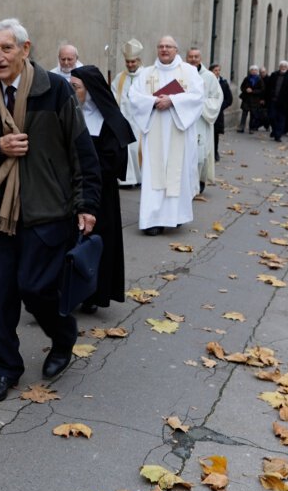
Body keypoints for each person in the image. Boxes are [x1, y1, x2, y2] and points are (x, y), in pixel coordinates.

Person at [0, 18, 101, 403]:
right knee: (1, 296)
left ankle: (62, 337)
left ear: (25, 50)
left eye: (6, 48)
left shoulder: (54, 89)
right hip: (2, 214)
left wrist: (87, 204)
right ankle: (5, 369)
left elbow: (80, 150)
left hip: (48, 211)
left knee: (36, 289)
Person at [68, 66, 133, 314]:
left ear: (91, 90)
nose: (71, 92)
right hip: (71, 189)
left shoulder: (110, 121)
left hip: (101, 195)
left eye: (76, 87)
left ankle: (94, 293)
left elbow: (112, 161)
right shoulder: (70, 113)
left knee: (97, 243)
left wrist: (86, 167)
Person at [127, 36, 204, 235]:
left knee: (177, 173)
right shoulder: (146, 73)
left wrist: (173, 100)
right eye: (160, 46)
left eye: (168, 46)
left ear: (176, 50)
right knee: (154, 173)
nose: (164, 49)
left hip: (179, 129)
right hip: (155, 130)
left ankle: (175, 216)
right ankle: (152, 220)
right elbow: (134, 96)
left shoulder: (189, 71)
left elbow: (197, 97)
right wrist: (152, 102)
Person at [187, 47, 223, 191]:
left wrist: (200, 103)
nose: (193, 59)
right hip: (184, 120)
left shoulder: (209, 77)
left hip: (201, 120)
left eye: (196, 56)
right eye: (190, 56)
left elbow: (217, 97)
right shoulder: (181, 74)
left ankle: (199, 183)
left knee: (200, 155)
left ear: (200, 58)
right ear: (186, 58)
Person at [111, 39, 145, 186]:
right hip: (124, 120)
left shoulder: (146, 76)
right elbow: (113, 95)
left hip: (140, 120)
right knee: (126, 149)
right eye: (128, 62)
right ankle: (127, 179)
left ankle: (140, 179)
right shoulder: (120, 77)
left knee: (138, 148)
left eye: (133, 62)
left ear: (139, 60)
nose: (130, 65)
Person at [210, 63, 233, 159]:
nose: (217, 72)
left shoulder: (223, 83)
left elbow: (229, 99)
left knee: (215, 133)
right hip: (207, 110)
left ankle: (215, 152)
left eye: (219, 70)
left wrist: (220, 106)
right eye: (215, 70)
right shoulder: (207, 81)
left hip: (218, 113)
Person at [266, 61, 288, 142]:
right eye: (281, 66)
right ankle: (274, 130)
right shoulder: (274, 75)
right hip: (273, 100)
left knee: (281, 118)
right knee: (272, 116)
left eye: (285, 66)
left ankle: (278, 135)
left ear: (287, 68)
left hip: (284, 102)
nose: (283, 67)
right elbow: (268, 86)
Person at [237, 65, 264, 133]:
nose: (253, 71)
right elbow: (242, 87)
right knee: (244, 113)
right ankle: (242, 127)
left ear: (257, 71)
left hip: (255, 100)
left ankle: (251, 128)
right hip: (246, 99)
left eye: (255, 70)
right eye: (252, 70)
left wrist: (253, 91)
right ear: (250, 71)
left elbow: (262, 90)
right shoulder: (247, 78)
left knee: (253, 114)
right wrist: (246, 89)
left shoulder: (259, 79)